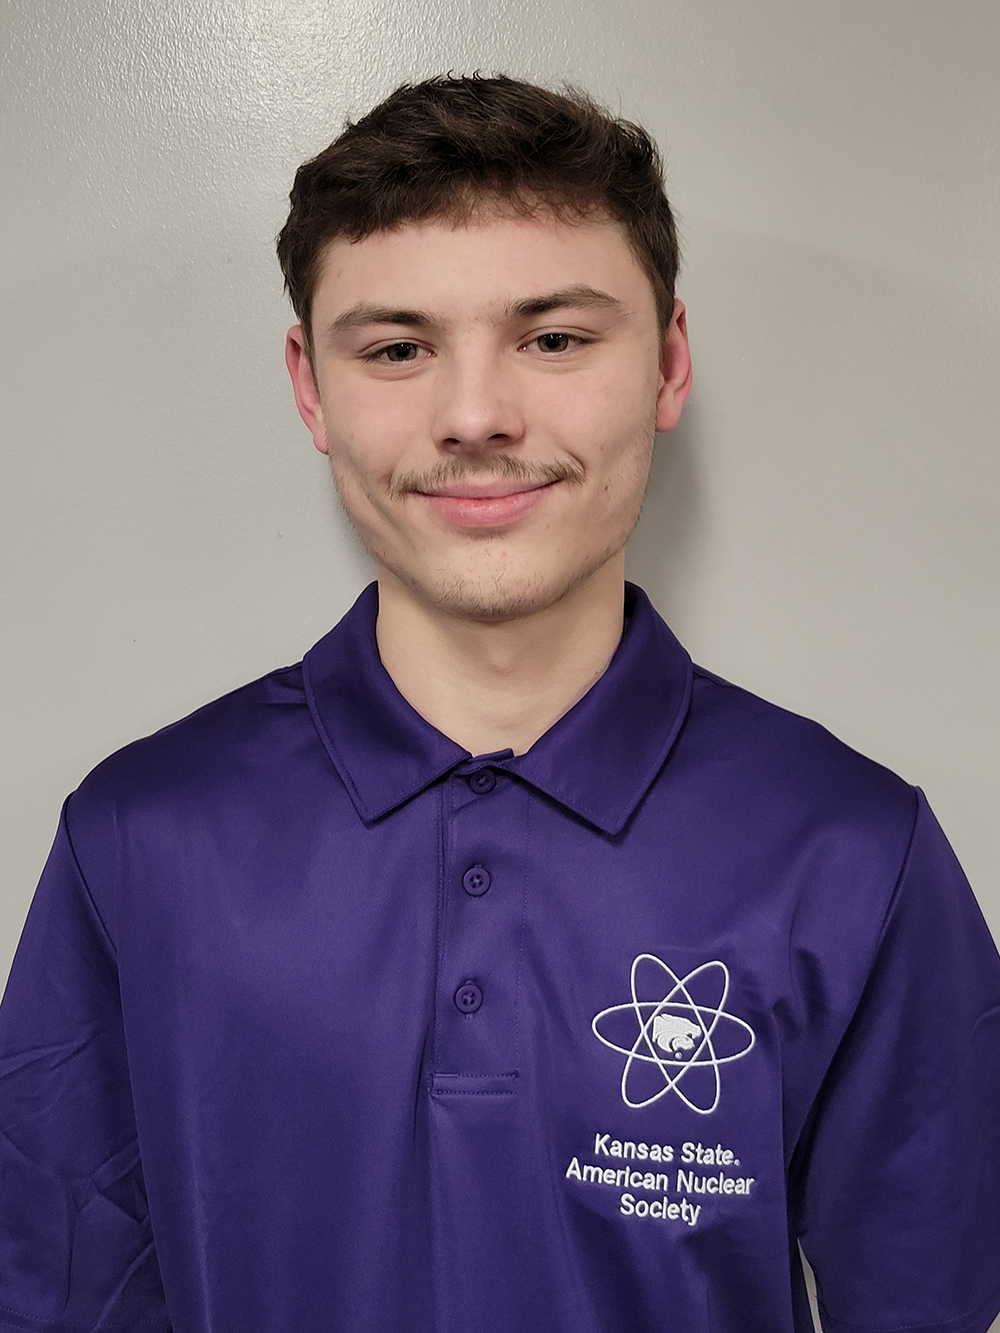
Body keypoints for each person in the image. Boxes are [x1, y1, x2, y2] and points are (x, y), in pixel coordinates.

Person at [0, 74, 998, 1333]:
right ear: (312, 387)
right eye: (399, 348)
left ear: (668, 363)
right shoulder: (139, 838)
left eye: (556, 337)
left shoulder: (857, 853)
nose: (475, 416)